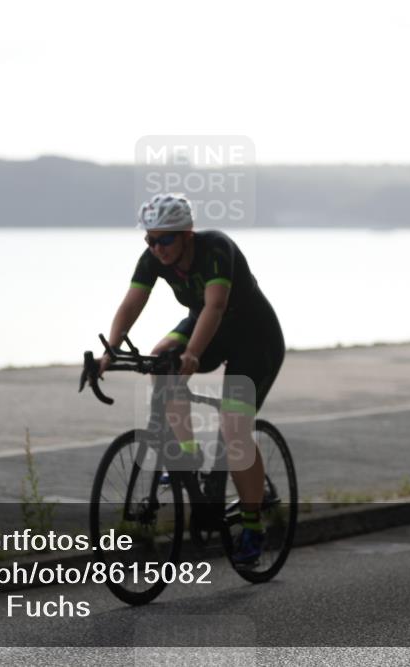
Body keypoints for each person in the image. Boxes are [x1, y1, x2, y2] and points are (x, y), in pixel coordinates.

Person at [98, 193, 286, 568]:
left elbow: (215, 306)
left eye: (165, 239)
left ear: (187, 233)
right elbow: (132, 302)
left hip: (254, 339)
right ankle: (185, 455)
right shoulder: (153, 256)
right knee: (161, 355)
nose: (157, 247)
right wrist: (110, 350)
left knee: (234, 432)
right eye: (150, 239)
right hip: (206, 326)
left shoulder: (216, 248)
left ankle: (252, 526)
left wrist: (194, 354)